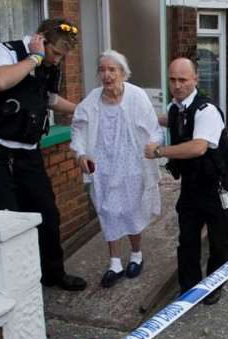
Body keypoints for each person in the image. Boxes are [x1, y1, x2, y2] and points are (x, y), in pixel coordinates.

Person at [0, 18, 87, 291]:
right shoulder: (5, 52)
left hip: (27, 154)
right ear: (40, 38)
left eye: (61, 57)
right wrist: (34, 57)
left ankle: (53, 274)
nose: (56, 61)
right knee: (7, 220)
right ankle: (18, 287)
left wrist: (83, 110)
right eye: (54, 53)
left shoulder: (47, 66)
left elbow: (48, 99)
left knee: (47, 215)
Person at [144, 58, 228, 306]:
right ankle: (189, 288)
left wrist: (160, 151)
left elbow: (198, 147)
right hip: (192, 184)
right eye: (173, 79)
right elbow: (169, 119)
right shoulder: (176, 108)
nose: (177, 85)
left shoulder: (207, 110)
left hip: (217, 184)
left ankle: (214, 285)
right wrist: (141, 116)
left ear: (195, 80)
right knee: (187, 239)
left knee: (219, 240)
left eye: (183, 79)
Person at [70, 51, 163, 288]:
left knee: (131, 209)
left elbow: (153, 129)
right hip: (103, 165)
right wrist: (80, 154)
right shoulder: (91, 100)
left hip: (132, 161)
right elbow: (78, 129)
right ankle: (114, 263)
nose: (107, 75)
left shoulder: (136, 96)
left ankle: (136, 254)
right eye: (102, 70)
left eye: (112, 70)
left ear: (123, 73)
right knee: (108, 210)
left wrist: (153, 145)